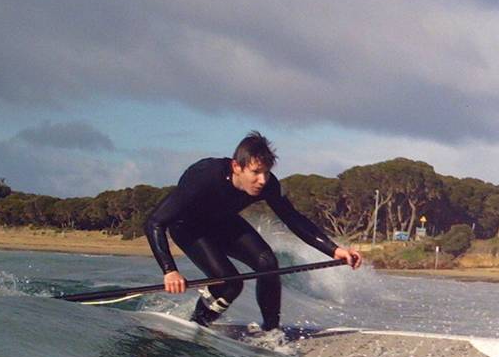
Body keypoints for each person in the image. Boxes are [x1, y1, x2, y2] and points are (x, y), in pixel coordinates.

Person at [144, 132, 361, 332]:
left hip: (222, 222)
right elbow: (154, 222)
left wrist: (334, 250)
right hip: (188, 227)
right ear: (237, 166)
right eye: (256, 172)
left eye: (267, 172)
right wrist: (169, 270)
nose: (262, 180)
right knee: (231, 282)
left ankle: (271, 331)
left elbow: (293, 219)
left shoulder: (268, 185)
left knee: (267, 263)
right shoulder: (204, 177)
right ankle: (197, 324)